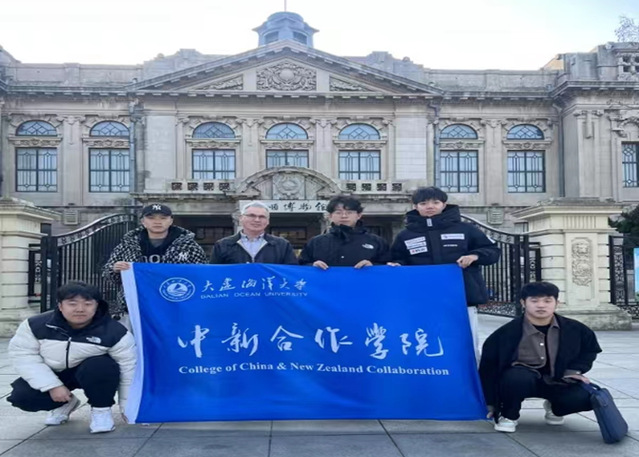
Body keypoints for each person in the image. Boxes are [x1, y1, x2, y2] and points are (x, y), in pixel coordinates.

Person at [7, 282, 136, 434]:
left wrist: (128, 407)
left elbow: (128, 368)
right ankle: (65, 403)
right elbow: (24, 356)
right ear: (60, 306)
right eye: (72, 304)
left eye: (88, 304)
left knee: (101, 365)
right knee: (22, 396)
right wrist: (52, 386)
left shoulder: (115, 331)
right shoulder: (35, 325)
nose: (80, 309)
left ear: (97, 305)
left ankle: (101, 411)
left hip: (92, 373)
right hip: (54, 372)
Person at [390, 186, 500, 357]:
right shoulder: (405, 235)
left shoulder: (466, 229)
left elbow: (493, 251)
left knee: (465, 345)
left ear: (444, 204)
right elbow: (397, 258)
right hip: (422, 300)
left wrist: (475, 256)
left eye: (435, 202)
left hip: (462, 299)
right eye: (424, 203)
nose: (430, 206)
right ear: (415, 206)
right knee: (425, 343)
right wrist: (396, 265)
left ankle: (467, 374)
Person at [479, 281, 602, 433]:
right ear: (523, 303)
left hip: (559, 379)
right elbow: (488, 367)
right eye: (534, 301)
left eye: (547, 301)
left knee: (585, 398)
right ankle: (508, 415)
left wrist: (575, 370)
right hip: (520, 380)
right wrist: (490, 402)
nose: (541, 305)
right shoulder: (505, 333)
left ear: (557, 303)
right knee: (515, 377)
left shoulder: (576, 329)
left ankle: (556, 408)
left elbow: (590, 350)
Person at [102, 203, 207, 319]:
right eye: (151, 218)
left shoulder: (189, 246)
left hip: (176, 306)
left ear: (171, 221)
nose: (157, 222)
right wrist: (115, 269)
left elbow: (202, 274)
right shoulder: (127, 245)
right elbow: (108, 273)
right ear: (143, 221)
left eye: (163, 218)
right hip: (136, 305)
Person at [299, 195, 390, 269]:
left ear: (358, 215)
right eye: (338, 212)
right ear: (330, 216)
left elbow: (389, 267)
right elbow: (299, 267)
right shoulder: (316, 242)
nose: (344, 216)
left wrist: (373, 266)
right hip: (326, 285)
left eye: (349, 212)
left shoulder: (376, 242)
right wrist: (312, 266)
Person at [210, 201, 298, 265]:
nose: (257, 220)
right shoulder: (223, 245)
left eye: (262, 217)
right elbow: (214, 273)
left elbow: (290, 272)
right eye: (252, 216)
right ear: (241, 218)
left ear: (267, 221)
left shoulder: (282, 245)